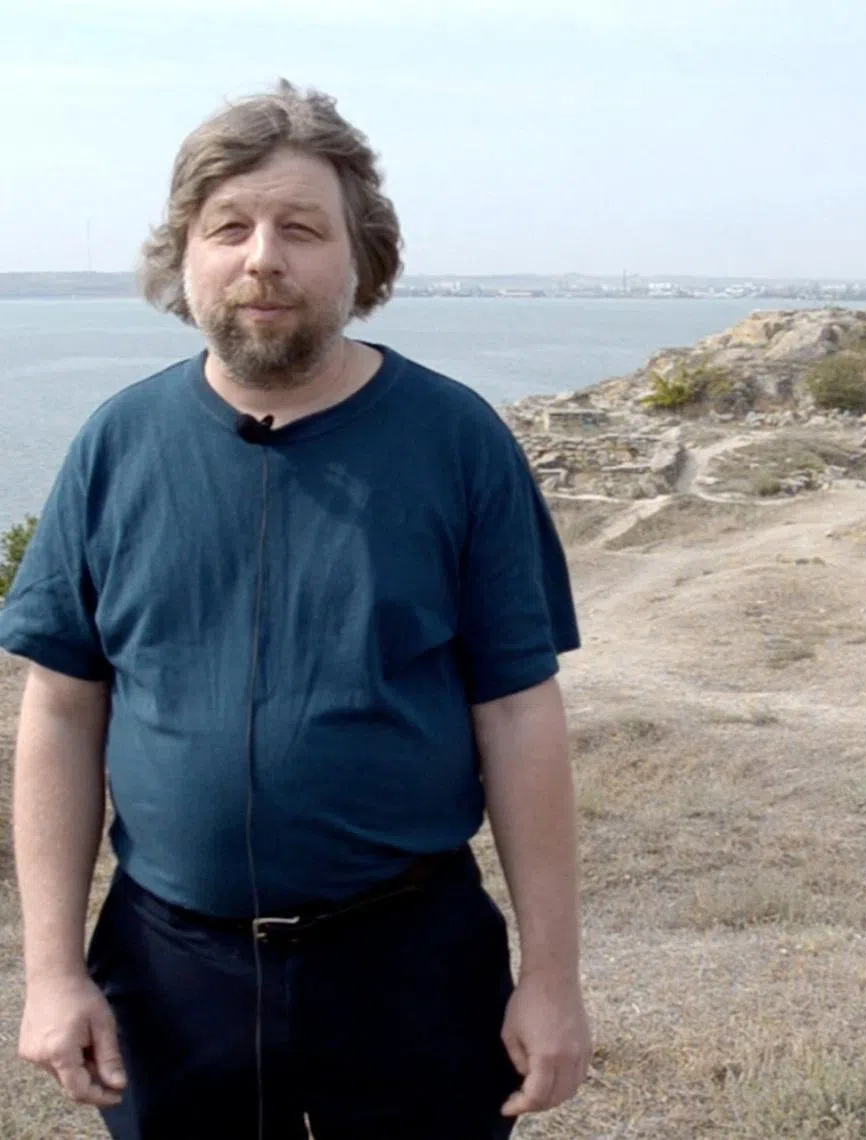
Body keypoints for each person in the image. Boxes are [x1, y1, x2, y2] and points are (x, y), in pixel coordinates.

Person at [0, 80, 591, 1139]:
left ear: (361, 257)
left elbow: (518, 714)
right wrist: (49, 970)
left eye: (301, 228)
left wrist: (552, 978)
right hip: (170, 972)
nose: (262, 256)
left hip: (411, 963)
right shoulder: (115, 447)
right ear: (185, 254)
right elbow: (60, 709)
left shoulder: (457, 443)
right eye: (229, 226)